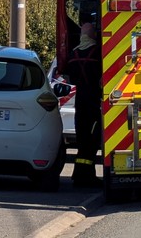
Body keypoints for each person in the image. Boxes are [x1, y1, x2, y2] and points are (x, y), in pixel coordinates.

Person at [58, 22, 103, 188]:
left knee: (83, 137)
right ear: (94, 35)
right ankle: (84, 177)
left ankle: (80, 175)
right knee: (92, 140)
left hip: (80, 101)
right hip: (93, 101)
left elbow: (71, 77)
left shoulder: (74, 53)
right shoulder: (98, 52)